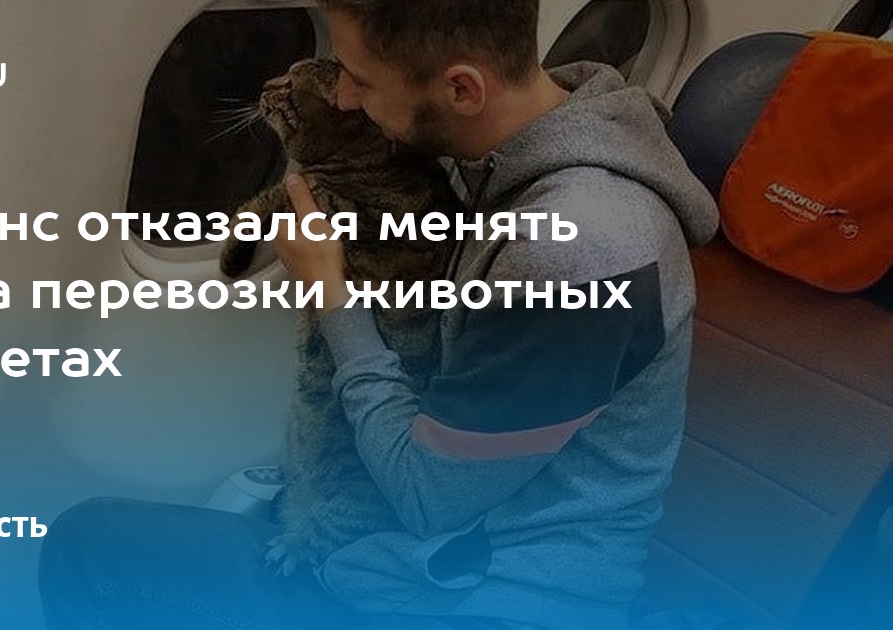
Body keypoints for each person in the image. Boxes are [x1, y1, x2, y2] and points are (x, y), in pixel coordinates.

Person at [38, 1, 719, 629]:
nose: (342, 97)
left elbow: (430, 495)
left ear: (461, 90)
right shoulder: (495, 158)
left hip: (492, 597)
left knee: (87, 554)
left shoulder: (582, 250)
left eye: (361, 80)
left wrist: (333, 297)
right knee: (101, 538)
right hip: (417, 558)